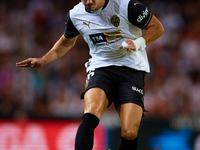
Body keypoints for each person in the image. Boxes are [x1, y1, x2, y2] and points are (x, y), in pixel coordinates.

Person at [16, 0, 164, 149]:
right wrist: (43, 60)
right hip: (101, 67)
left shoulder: (127, 6)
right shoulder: (76, 14)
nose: (88, 1)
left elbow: (157, 28)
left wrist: (138, 43)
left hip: (132, 69)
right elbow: (66, 42)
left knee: (129, 132)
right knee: (91, 111)